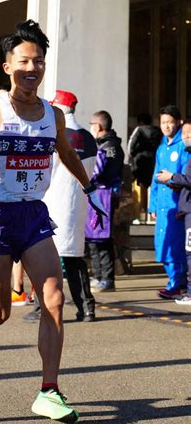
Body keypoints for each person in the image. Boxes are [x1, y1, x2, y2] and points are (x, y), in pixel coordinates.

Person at [0, 20, 106, 424]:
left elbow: (65, 152)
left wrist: (88, 188)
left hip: (34, 215)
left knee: (53, 298)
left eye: (38, 62)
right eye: (23, 61)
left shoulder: (53, 114)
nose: (31, 68)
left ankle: (49, 390)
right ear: (7, 67)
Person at [24, 90, 98, 321]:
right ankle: (86, 308)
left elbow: (45, 170)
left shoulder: (54, 132)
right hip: (77, 204)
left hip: (52, 201)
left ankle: (41, 308)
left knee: (42, 257)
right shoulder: (88, 136)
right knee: (75, 258)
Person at [150, 105, 188, 299]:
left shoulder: (184, 146)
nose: (166, 126)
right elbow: (155, 177)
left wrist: (171, 179)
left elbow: (185, 176)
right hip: (163, 206)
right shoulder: (162, 147)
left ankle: (177, 284)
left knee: (176, 245)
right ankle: (176, 282)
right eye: (163, 122)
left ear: (178, 122)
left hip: (178, 204)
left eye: (169, 122)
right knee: (162, 244)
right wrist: (152, 205)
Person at [86, 110, 124, 292]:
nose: (90, 127)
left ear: (98, 126)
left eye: (91, 123)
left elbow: (103, 173)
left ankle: (107, 278)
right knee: (93, 238)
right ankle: (98, 275)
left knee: (103, 238)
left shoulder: (110, 147)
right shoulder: (102, 145)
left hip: (105, 196)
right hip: (96, 197)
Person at [128, 113, 161, 221]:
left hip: (140, 163)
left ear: (140, 122)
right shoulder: (158, 131)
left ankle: (140, 216)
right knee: (153, 187)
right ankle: (151, 216)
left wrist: (131, 157)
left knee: (140, 189)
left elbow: (131, 147)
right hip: (154, 162)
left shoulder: (139, 130)